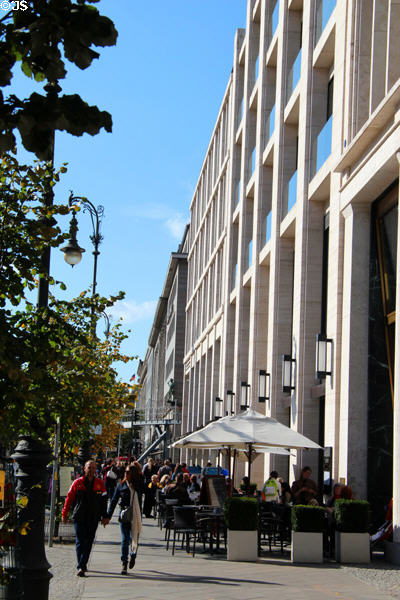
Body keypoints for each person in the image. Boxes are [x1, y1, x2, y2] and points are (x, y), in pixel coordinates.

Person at [62, 460, 108, 577]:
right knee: (80, 541)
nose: (91, 470)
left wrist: (105, 516)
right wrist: (64, 514)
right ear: (84, 469)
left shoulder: (100, 484)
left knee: (89, 541)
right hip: (80, 516)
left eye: (93, 468)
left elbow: (103, 502)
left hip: (93, 516)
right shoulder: (77, 483)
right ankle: (81, 566)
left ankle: (83, 563)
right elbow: (69, 499)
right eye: (89, 468)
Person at [103, 464, 143, 575]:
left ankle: (133, 555)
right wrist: (108, 516)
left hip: (136, 515)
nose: (126, 473)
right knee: (125, 539)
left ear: (133, 474)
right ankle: (124, 563)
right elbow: (114, 501)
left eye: (128, 472)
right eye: (125, 472)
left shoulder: (139, 485)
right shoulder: (121, 486)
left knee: (134, 538)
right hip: (124, 515)